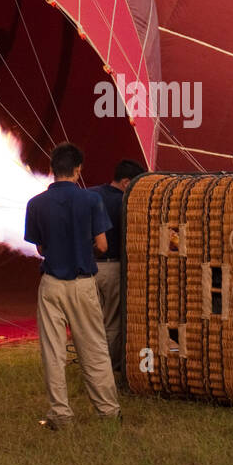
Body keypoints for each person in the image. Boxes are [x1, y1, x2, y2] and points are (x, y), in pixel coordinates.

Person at [24, 142, 120, 429]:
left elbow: (40, 248)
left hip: (52, 284)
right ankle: (108, 410)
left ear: (51, 169)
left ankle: (60, 415)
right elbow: (102, 244)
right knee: (94, 348)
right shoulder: (91, 200)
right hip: (83, 284)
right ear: (78, 170)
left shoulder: (35, 204)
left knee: (53, 352)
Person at [91, 159, 146, 385]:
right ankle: (108, 368)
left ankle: (90, 365)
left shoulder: (91, 194)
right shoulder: (126, 201)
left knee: (90, 322)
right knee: (112, 322)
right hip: (112, 267)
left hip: (87, 268)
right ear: (126, 182)